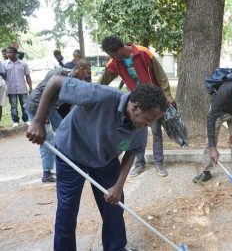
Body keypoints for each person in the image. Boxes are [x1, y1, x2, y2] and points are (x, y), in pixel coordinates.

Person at [26, 76, 167, 250]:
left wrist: (118, 185)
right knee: (67, 210)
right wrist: (38, 121)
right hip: (71, 153)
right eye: (149, 119)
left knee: (114, 206)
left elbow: (131, 153)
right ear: (135, 107)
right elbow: (55, 81)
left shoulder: (139, 130)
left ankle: (115, 247)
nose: (150, 124)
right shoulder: (100, 95)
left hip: (104, 161)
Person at [99, 36, 176, 177]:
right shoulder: (114, 62)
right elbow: (103, 81)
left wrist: (167, 93)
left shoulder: (142, 52)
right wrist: (93, 91)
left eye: (112, 54)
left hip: (153, 101)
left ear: (119, 49)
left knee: (156, 132)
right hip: (136, 104)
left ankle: (159, 163)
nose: (111, 58)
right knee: (136, 133)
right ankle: (139, 164)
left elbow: (160, 74)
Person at [26, 60, 91, 183]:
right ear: (81, 68)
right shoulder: (60, 74)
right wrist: (42, 117)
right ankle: (47, 173)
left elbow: (74, 101)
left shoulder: (74, 80)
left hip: (51, 108)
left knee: (65, 130)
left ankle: (69, 165)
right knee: (48, 138)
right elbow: (46, 95)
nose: (87, 75)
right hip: (36, 106)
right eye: (87, 72)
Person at [3, 46, 32, 127]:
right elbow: (3, 77)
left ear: (16, 53)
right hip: (10, 89)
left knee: (25, 105)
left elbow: (27, 76)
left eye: (10, 52)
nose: (8, 54)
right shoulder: (4, 64)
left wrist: (30, 88)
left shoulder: (23, 64)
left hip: (22, 88)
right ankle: (15, 121)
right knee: (13, 106)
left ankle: (26, 120)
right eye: (7, 52)